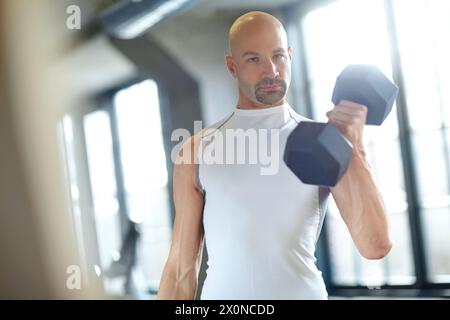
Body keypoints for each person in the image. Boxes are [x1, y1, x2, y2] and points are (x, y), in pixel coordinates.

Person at [157, 11, 391, 300]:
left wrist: (356, 149)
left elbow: (375, 246)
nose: (271, 70)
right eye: (253, 59)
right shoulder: (196, 150)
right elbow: (180, 270)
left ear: (290, 55)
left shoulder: (324, 142)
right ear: (232, 67)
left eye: (278, 55)